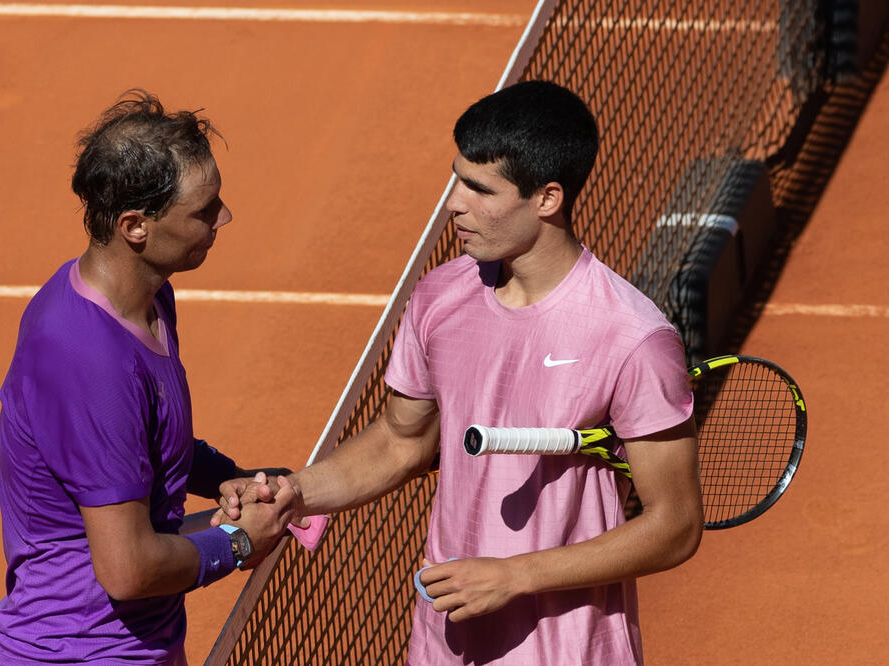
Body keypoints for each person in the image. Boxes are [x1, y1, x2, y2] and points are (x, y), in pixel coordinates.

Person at [218, 80, 703, 665]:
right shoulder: (440, 296)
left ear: (547, 199)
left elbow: (675, 524)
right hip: (444, 643)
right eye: (457, 180)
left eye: (480, 189)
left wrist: (514, 575)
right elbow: (401, 441)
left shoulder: (631, 337)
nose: (454, 203)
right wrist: (297, 492)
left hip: (565, 649)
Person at [0, 90, 300, 666]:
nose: (224, 217)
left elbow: (146, 440)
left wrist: (229, 477)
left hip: (144, 647)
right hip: (74, 654)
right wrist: (239, 541)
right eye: (204, 210)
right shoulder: (84, 358)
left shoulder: (151, 300)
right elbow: (128, 569)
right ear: (135, 226)